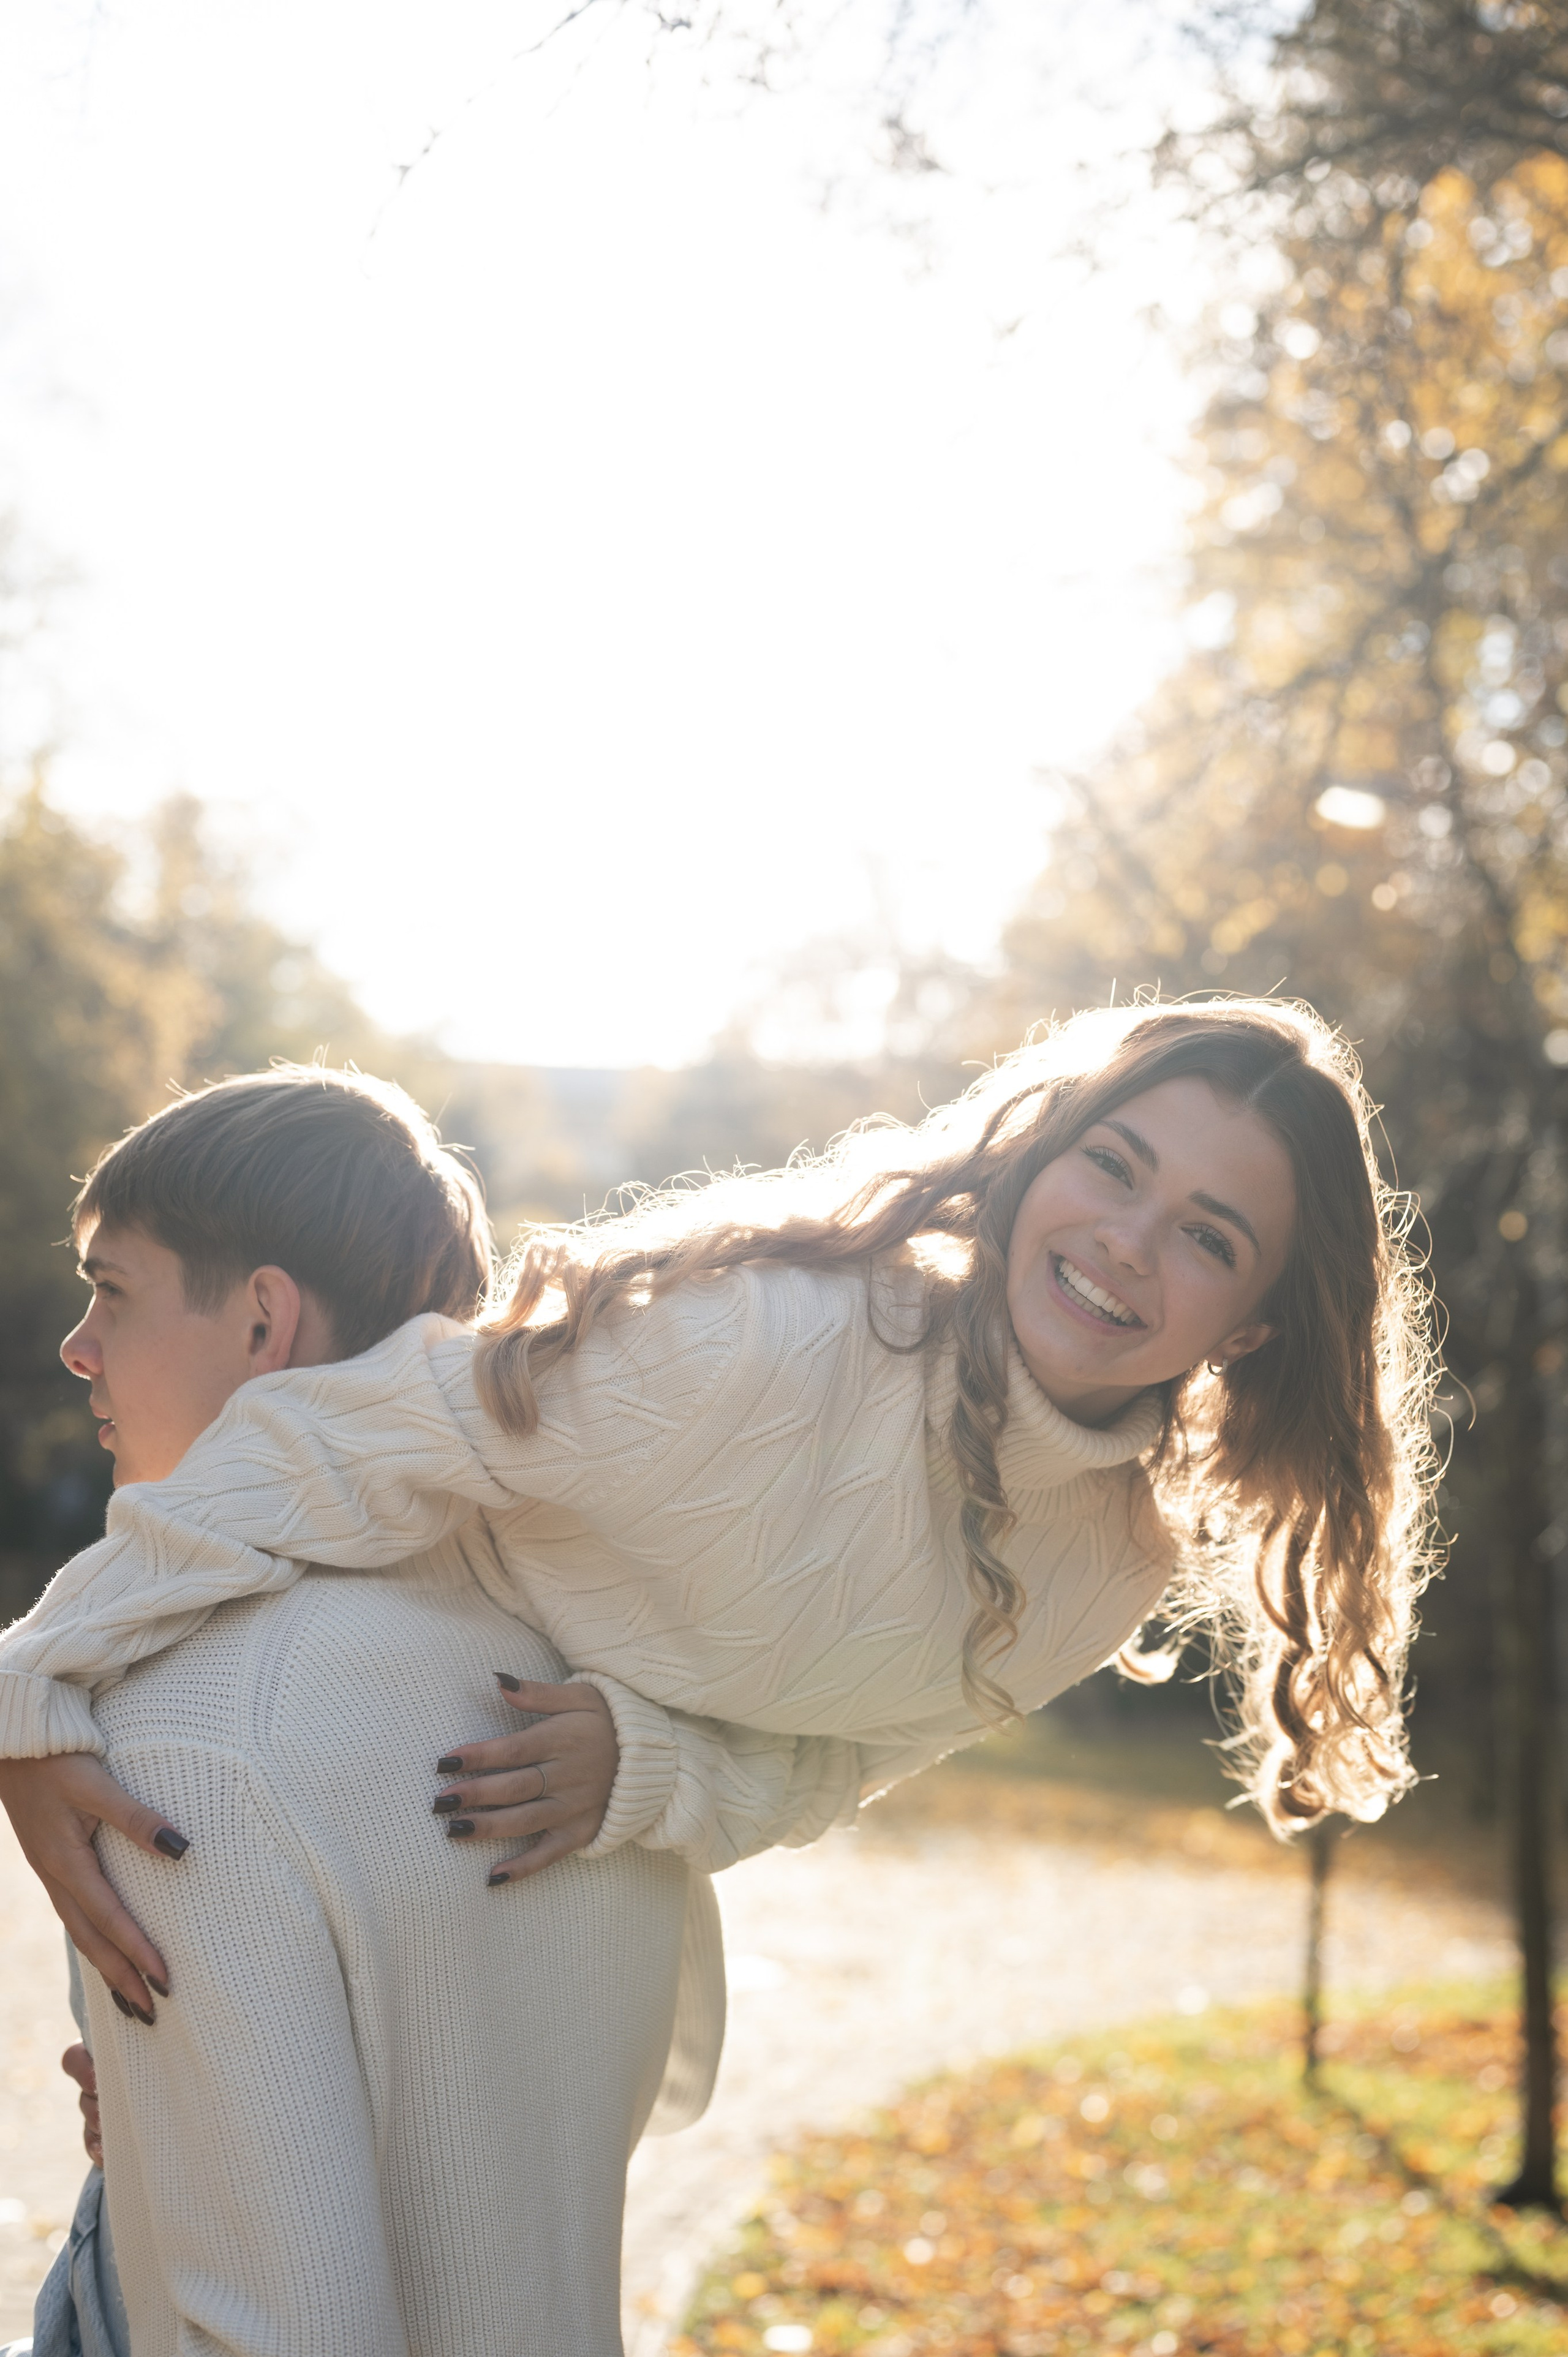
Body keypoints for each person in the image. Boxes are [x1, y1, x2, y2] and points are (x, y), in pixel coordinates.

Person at [2, 996, 1439, 2037]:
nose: (1126, 1240)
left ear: (1247, 1331)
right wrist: (33, 1686)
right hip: (309, 1728)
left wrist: (655, 1761)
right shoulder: (765, 1341)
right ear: (1034, 1158)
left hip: (542, 1897)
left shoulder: (1107, 1568)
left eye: (1206, 1234)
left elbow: (838, 1759)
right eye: (1111, 1164)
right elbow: (330, 1434)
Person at [1, 1069, 850, 2357]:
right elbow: (644, 2086)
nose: (78, 1344)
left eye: (111, 1288)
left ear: (261, 1322)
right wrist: (183, 2135)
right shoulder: (582, 1696)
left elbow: (278, 2331)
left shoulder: (185, 1735)